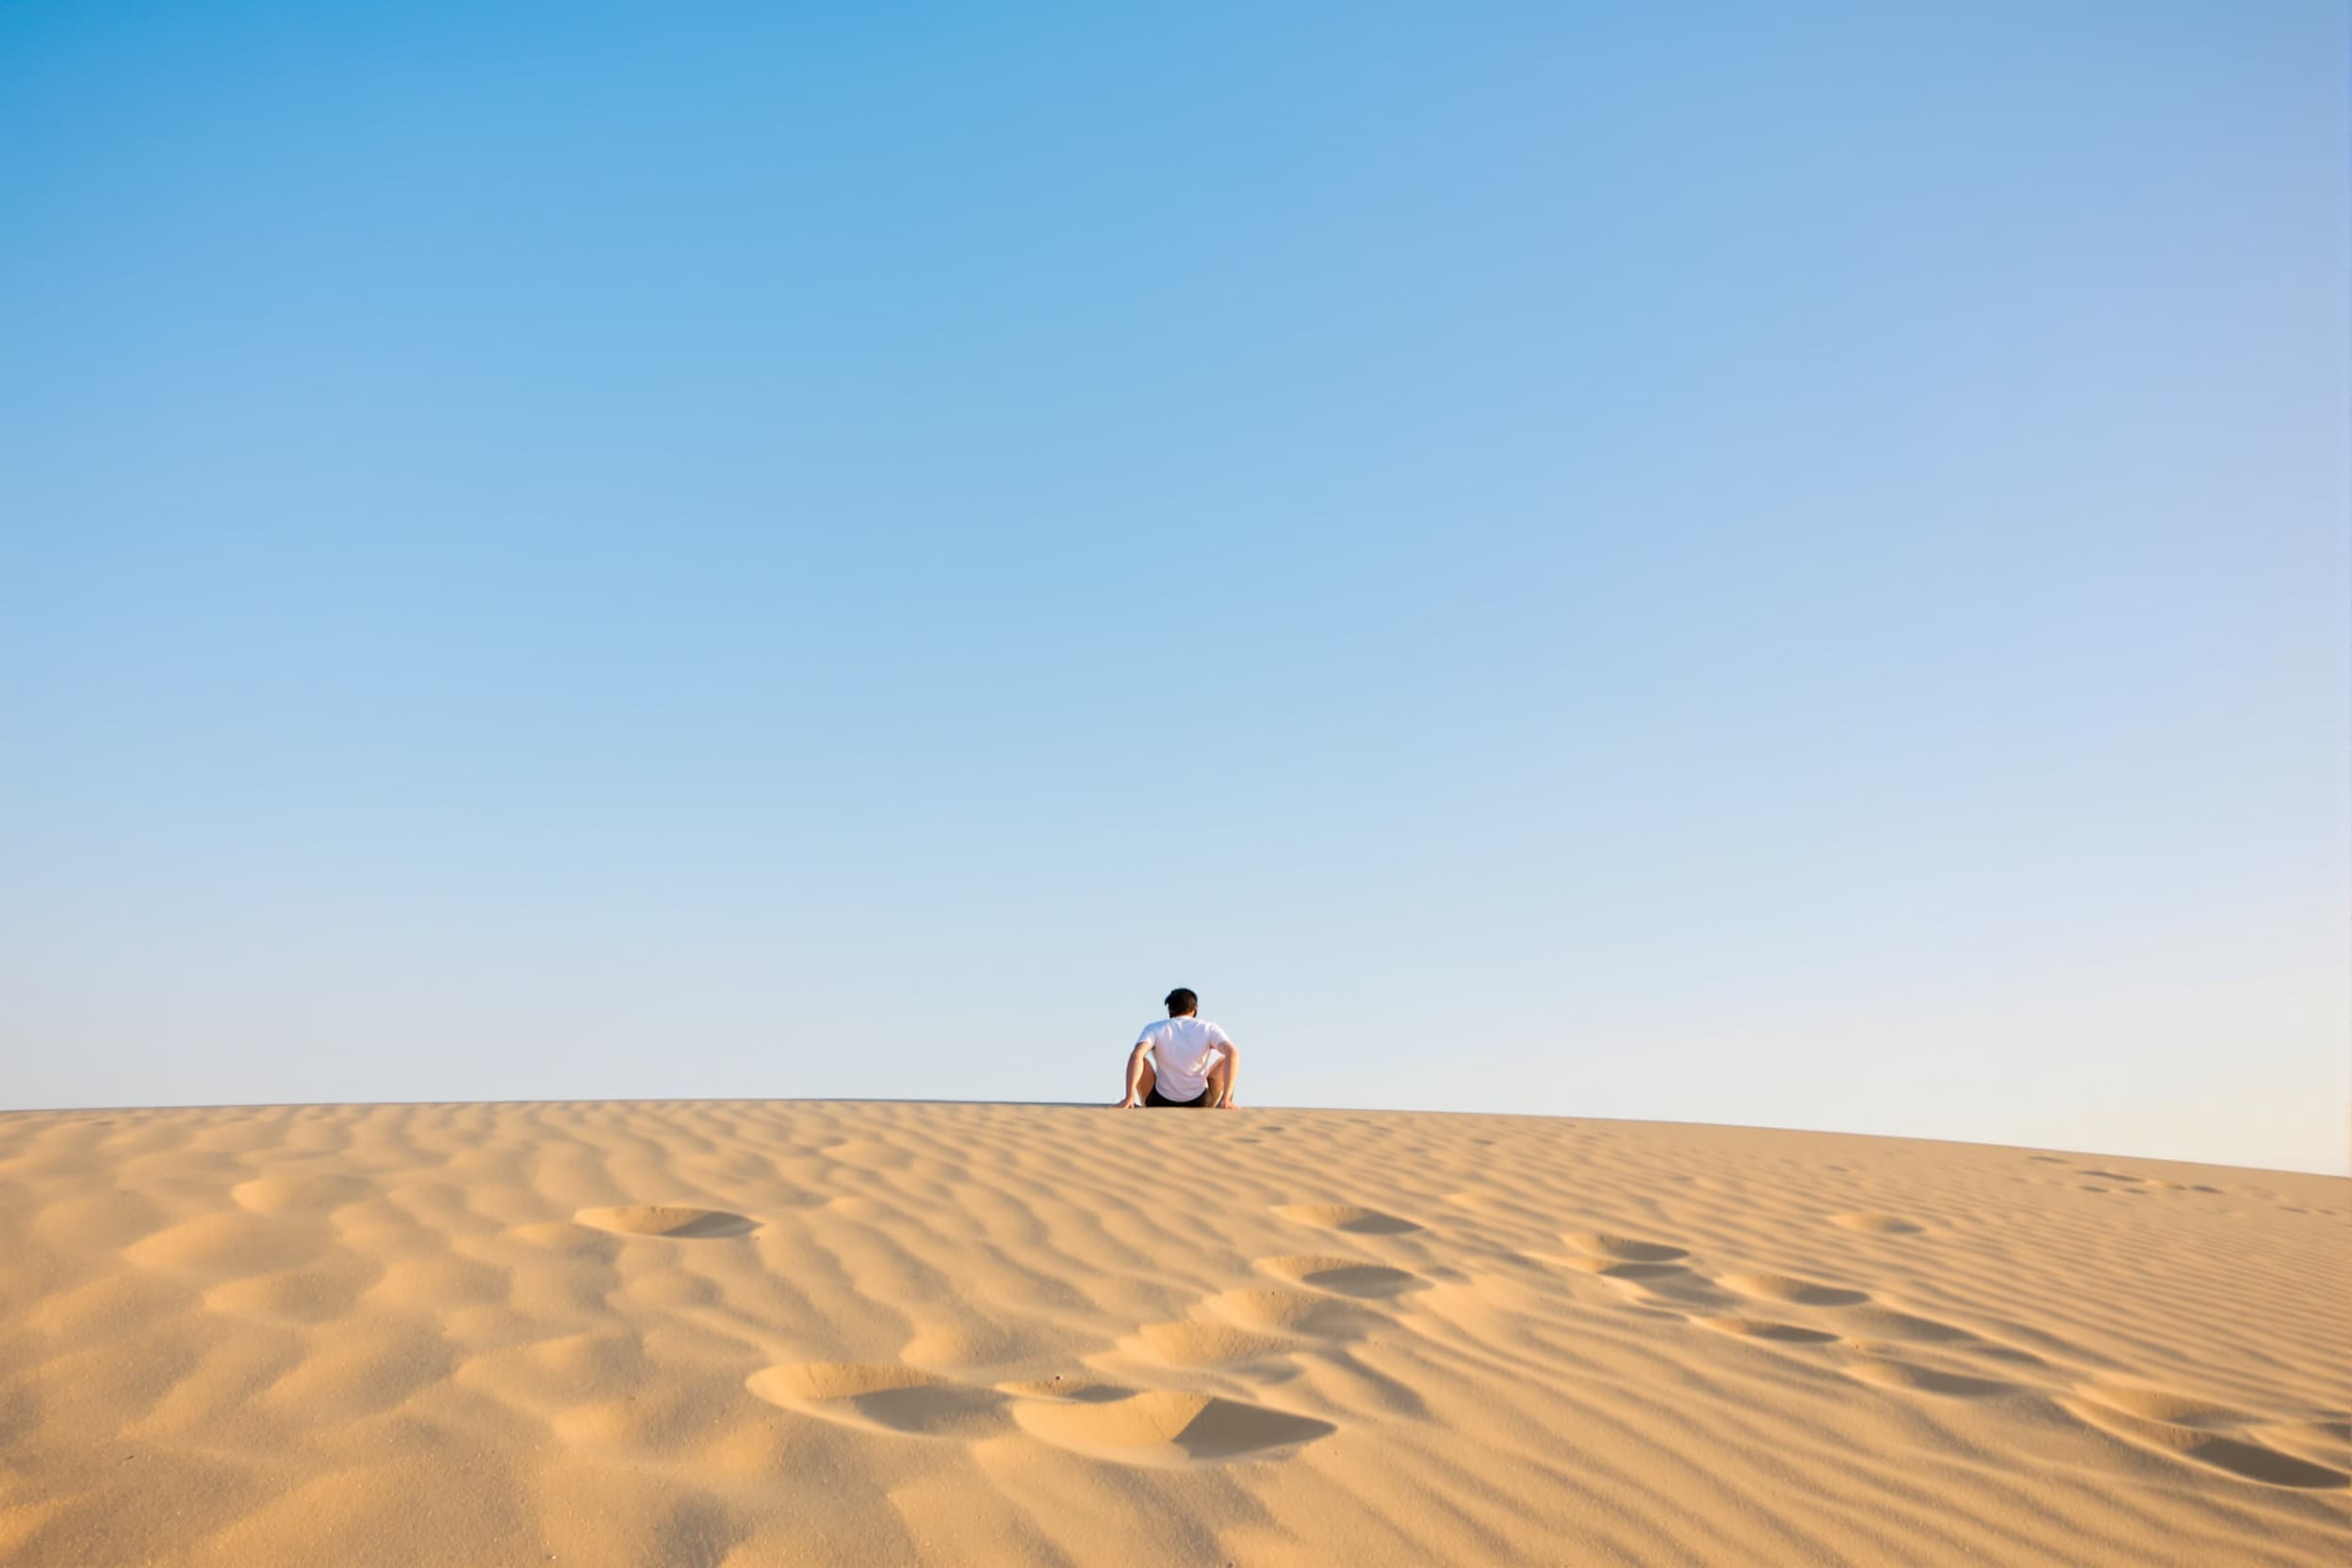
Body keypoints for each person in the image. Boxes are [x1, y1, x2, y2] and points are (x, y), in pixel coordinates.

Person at [1112, 988, 1238, 1109]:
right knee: (1226, 1059)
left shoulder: (1155, 1028)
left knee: (1140, 1058)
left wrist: (1129, 1096)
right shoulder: (1208, 1028)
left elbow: (1137, 1054)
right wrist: (1226, 1097)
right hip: (1200, 1101)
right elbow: (1232, 1053)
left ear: (1170, 1010)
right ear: (1195, 1009)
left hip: (1159, 1101)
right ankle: (1225, 1101)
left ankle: (1132, 1100)